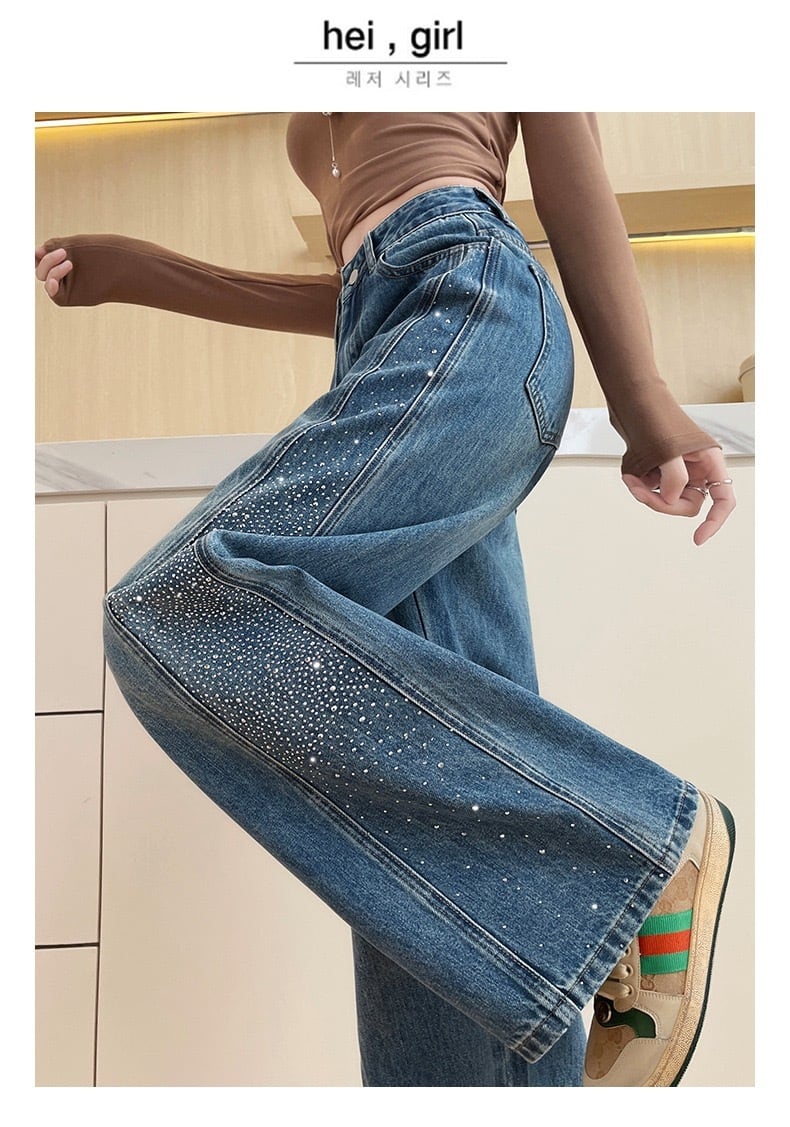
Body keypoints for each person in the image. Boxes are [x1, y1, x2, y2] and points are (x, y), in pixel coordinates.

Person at [35, 112, 737, 1088]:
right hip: (389, 337)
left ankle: (628, 850)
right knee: (432, 872)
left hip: (474, 303)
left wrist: (640, 394)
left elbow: (568, 169)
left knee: (179, 607)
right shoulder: (307, 110)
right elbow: (355, 286)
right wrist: (147, 273)